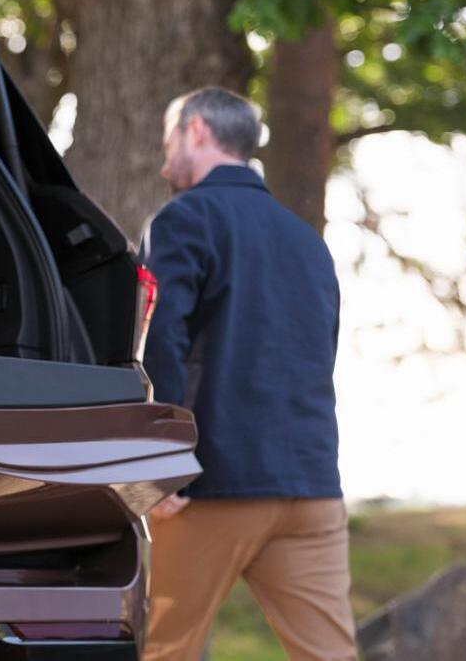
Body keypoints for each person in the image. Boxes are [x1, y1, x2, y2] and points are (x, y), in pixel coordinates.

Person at [139, 87, 355, 661]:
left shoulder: (184, 219)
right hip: (311, 488)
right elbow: (320, 352)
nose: (163, 163)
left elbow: (161, 338)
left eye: (168, 141)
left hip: (212, 486)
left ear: (197, 129)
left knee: (163, 650)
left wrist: (161, 465)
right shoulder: (308, 242)